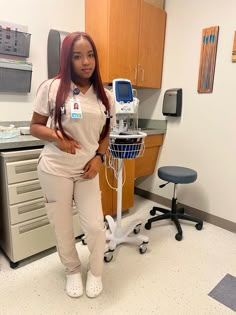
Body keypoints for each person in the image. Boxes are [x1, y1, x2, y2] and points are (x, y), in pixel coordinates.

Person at [30, 31, 115, 298]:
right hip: (56, 168)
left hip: (87, 170)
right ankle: (72, 271)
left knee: (94, 227)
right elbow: (34, 126)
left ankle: (97, 271)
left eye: (90, 55)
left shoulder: (106, 97)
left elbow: (105, 135)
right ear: (68, 59)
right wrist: (57, 137)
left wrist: (99, 159)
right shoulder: (53, 88)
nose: (86, 62)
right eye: (77, 57)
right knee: (63, 226)